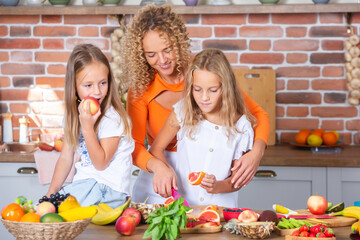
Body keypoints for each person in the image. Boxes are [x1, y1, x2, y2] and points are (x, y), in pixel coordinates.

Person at [122, 4, 269, 204]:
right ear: (141, 55)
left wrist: (256, 153)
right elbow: (135, 146)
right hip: (159, 177)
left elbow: (259, 114)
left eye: (168, 50)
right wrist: (158, 167)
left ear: (179, 42)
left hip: (201, 174)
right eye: (151, 55)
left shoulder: (201, 73)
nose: (162, 60)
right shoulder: (140, 89)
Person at [150, 48, 255, 207]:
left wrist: (217, 186)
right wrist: (164, 170)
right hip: (183, 210)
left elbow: (236, 181)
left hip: (221, 212)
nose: (204, 98)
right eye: (197, 89)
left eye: (213, 90)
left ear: (225, 88)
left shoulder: (241, 127)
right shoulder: (183, 112)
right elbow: (156, 148)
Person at [46, 43, 134, 208]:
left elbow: (100, 163)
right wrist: (50, 193)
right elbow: (66, 157)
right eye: (88, 85)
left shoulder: (112, 118)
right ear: (74, 87)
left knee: (61, 208)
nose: (97, 91)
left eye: (102, 83)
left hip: (108, 192)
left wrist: (87, 128)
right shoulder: (73, 117)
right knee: (51, 205)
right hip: (85, 186)